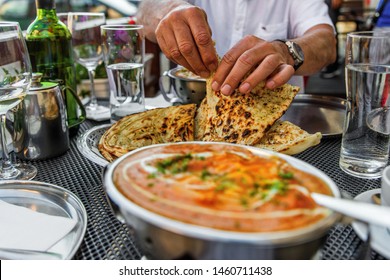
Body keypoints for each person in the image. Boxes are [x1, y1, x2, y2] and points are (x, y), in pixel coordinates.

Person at [137, 0, 336, 94]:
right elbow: (146, 10)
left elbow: (326, 43)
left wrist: (285, 51)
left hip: (278, 128)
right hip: (189, 119)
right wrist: (170, 10)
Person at [321, 0, 343, 79]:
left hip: (330, 4)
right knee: (324, 33)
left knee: (330, 32)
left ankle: (333, 67)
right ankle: (328, 64)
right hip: (323, 3)